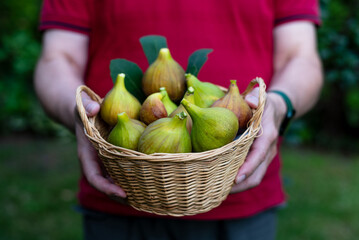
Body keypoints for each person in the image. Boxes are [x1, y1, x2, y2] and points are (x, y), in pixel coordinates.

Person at [34, 0, 323, 239]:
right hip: (120, 191)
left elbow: (301, 58)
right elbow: (57, 59)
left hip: (243, 197)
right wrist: (79, 113)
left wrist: (279, 104)